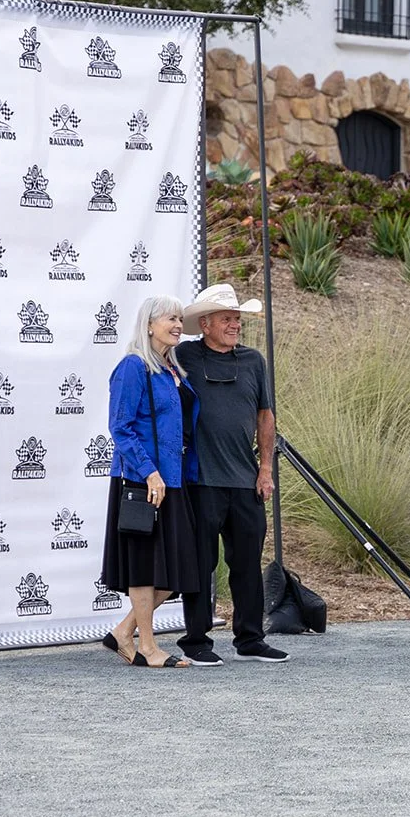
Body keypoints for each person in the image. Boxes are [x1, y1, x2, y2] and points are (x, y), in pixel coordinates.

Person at [174, 283, 288, 665]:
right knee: (201, 562)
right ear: (204, 324)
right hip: (201, 481)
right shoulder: (184, 355)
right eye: (227, 319)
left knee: (246, 565)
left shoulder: (254, 360)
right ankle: (196, 641)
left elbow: (265, 416)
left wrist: (266, 469)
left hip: (246, 480)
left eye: (238, 319)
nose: (235, 325)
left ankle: (251, 640)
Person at [100, 295, 200, 669]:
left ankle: (124, 633)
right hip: (145, 482)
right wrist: (149, 472)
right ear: (149, 325)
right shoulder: (133, 367)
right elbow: (121, 428)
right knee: (144, 566)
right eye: (171, 319)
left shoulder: (170, 370)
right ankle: (147, 646)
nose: (178, 325)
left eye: (179, 319)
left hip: (173, 481)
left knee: (179, 569)